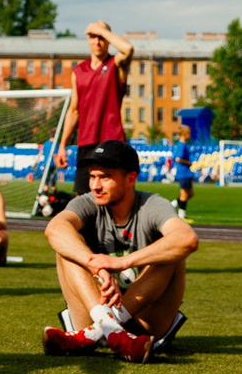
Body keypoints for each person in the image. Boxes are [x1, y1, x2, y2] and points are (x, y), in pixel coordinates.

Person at [41, 139, 200, 362]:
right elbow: (54, 229)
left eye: (104, 177)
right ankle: (113, 333)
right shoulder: (87, 202)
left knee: (172, 251)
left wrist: (122, 262)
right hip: (92, 310)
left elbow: (187, 239)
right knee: (67, 246)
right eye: (92, 176)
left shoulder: (152, 205)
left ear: (130, 179)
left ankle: (93, 335)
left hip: (145, 323)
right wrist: (94, 265)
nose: (95, 185)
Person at [54, 23, 135, 194]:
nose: (97, 41)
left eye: (101, 37)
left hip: (113, 141)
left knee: (114, 197)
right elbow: (74, 110)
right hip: (86, 143)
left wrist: (101, 30)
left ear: (108, 39)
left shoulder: (115, 64)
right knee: (84, 198)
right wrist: (63, 145)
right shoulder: (78, 71)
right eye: (93, 37)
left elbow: (127, 49)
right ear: (88, 40)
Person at [170, 104, 213, 218]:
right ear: (184, 134)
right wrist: (190, 163)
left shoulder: (183, 145)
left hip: (186, 172)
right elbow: (178, 158)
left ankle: (172, 205)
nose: (189, 135)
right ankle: (181, 215)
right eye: (188, 133)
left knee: (190, 194)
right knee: (184, 194)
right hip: (183, 172)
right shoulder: (181, 145)